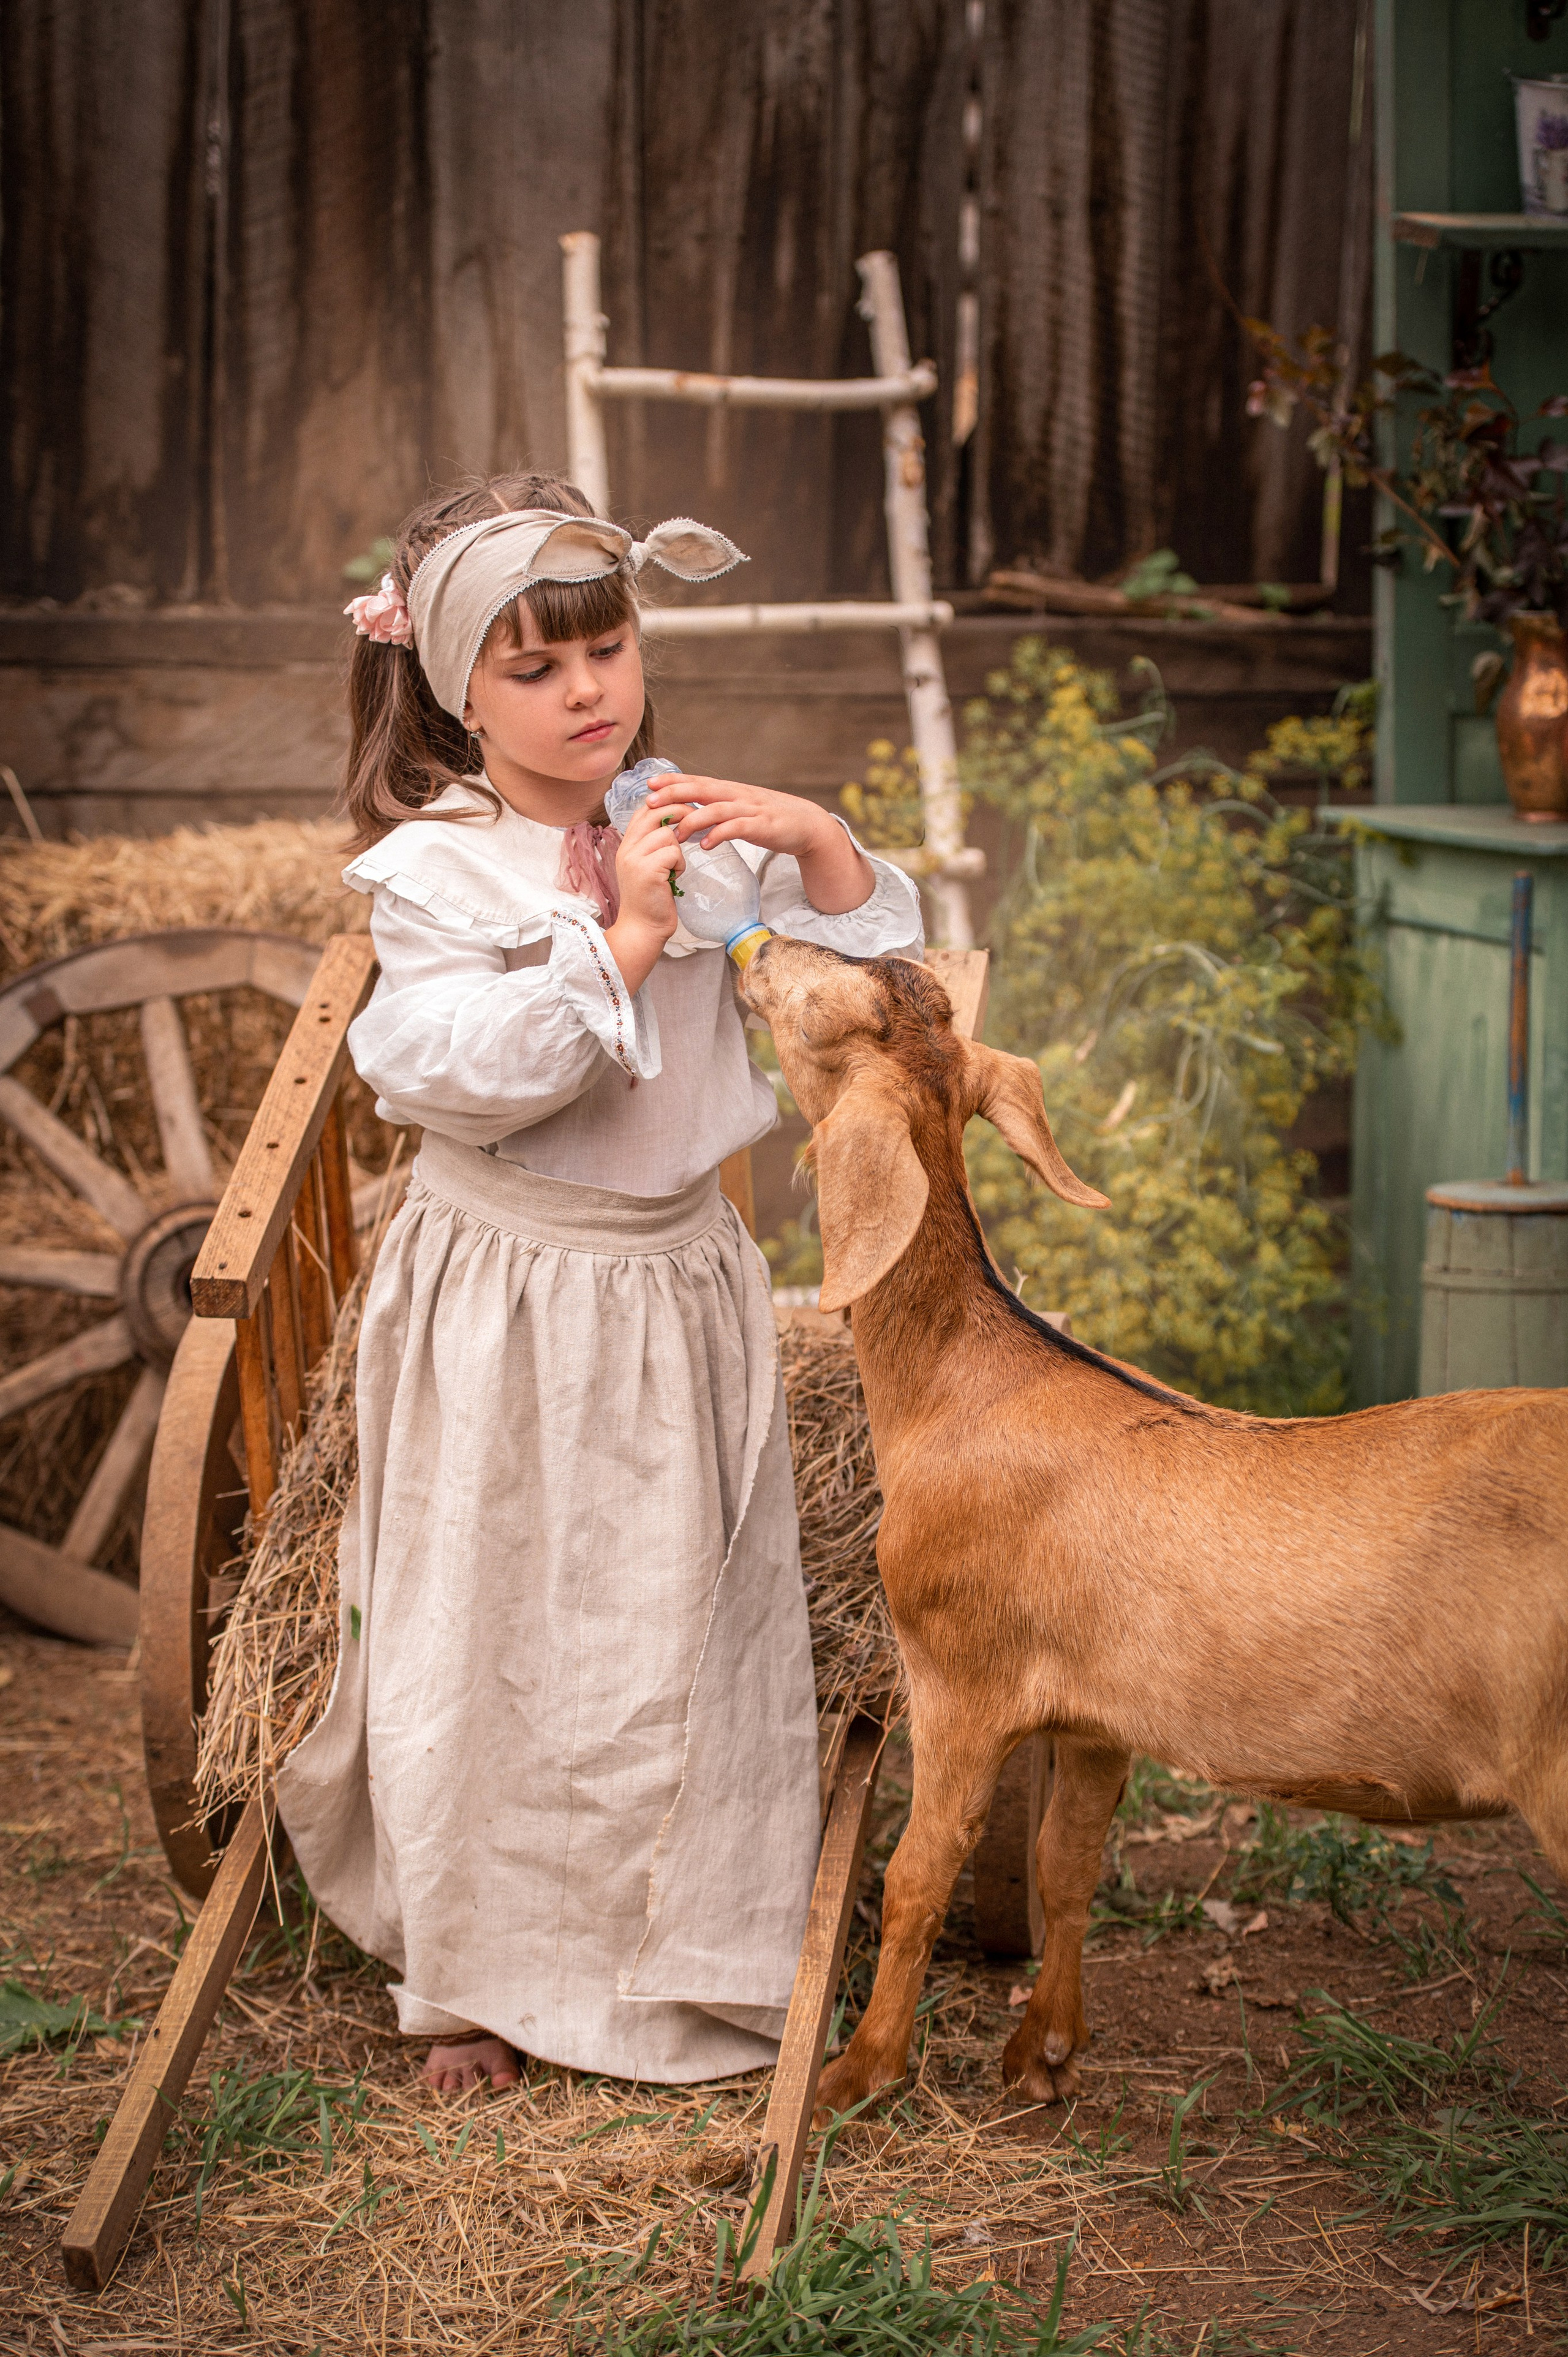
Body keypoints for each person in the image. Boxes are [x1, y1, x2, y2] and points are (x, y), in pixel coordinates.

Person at [275, 472, 924, 2094]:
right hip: (508, 1295)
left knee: (658, 1643)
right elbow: (454, 1079)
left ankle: (673, 1960)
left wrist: (820, 848)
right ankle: (476, 1981)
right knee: (489, 1629)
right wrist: (622, 944)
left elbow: (877, 1003)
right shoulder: (444, 869)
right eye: (533, 668)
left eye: (606, 651)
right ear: (452, 691)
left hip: (667, 1289)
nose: (585, 693)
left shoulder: (679, 830)